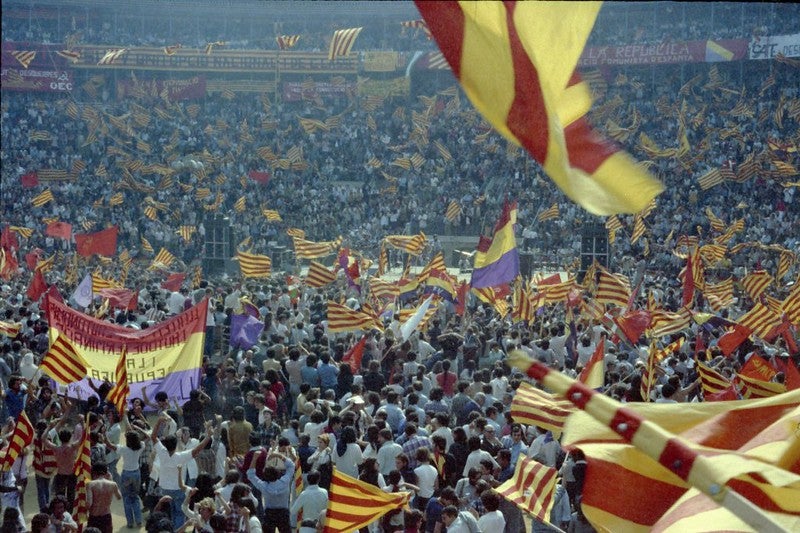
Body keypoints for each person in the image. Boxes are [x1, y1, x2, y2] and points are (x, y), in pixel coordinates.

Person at [151, 416, 213, 530]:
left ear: (164, 444)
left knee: (166, 514)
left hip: (164, 489)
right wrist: (208, 436)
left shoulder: (162, 452)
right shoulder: (181, 456)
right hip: (179, 490)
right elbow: (197, 450)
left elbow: (153, 437)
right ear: (175, 445)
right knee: (179, 514)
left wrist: (159, 421)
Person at [246, 449, 296, 533]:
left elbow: (250, 475)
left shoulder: (263, 486)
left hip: (269, 514)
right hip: (283, 513)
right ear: (277, 474)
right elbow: (291, 466)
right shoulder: (285, 481)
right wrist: (278, 455)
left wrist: (254, 458)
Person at [86, 462, 121, 533]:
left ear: (93, 472)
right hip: (106, 516)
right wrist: (111, 480)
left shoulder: (91, 484)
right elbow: (119, 497)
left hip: (94, 516)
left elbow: (89, 504)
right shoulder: (113, 484)